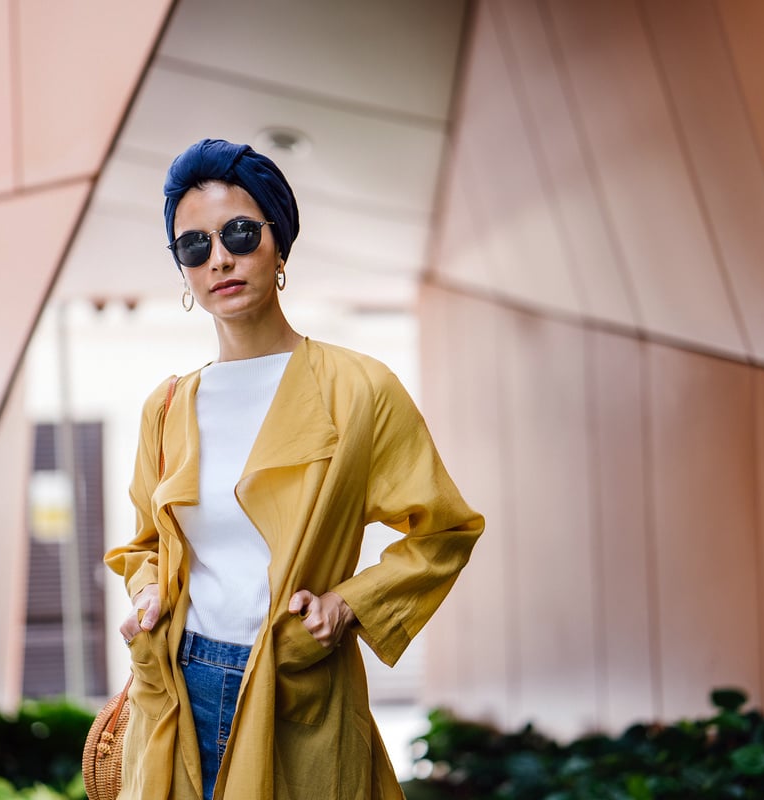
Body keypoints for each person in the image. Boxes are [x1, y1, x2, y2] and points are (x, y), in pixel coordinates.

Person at [104, 138, 483, 800]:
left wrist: (350, 605)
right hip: (177, 686)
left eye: (240, 234)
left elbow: (444, 530)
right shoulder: (164, 408)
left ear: (279, 245)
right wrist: (146, 595)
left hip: (296, 685)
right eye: (194, 246)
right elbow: (144, 546)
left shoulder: (358, 390)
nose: (219, 257)